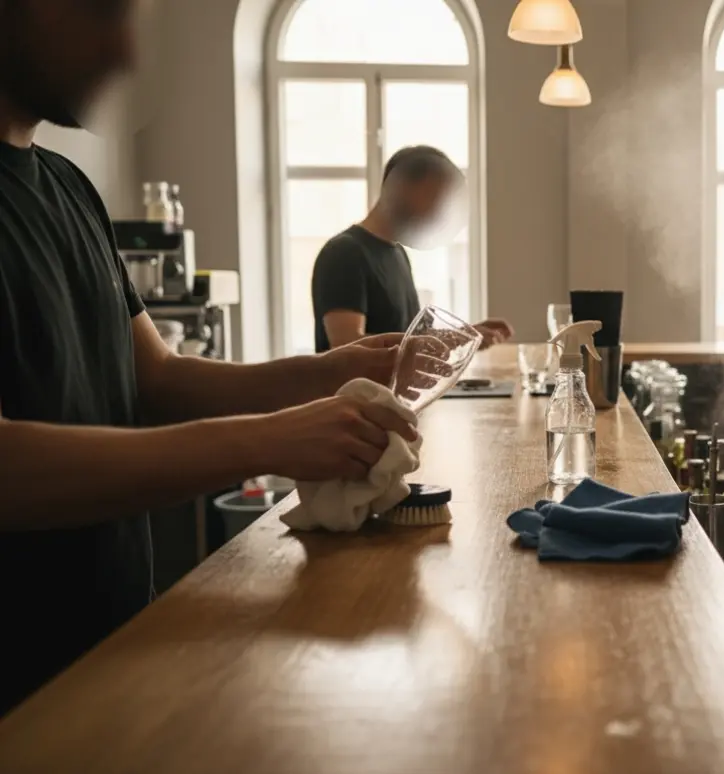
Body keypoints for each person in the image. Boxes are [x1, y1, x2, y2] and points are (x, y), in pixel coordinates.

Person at [0, 0, 422, 713]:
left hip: (112, 645)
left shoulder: (69, 188)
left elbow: (157, 378)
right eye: (101, 14)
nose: (125, 54)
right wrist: (267, 440)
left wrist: (326, 373)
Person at [311, 145, 513, 353]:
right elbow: (347, 345)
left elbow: (408, 338)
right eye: (435, 195)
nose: (440, 208)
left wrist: (465, 334)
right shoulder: (344, 254)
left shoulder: (398, 253)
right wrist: (449, 339)